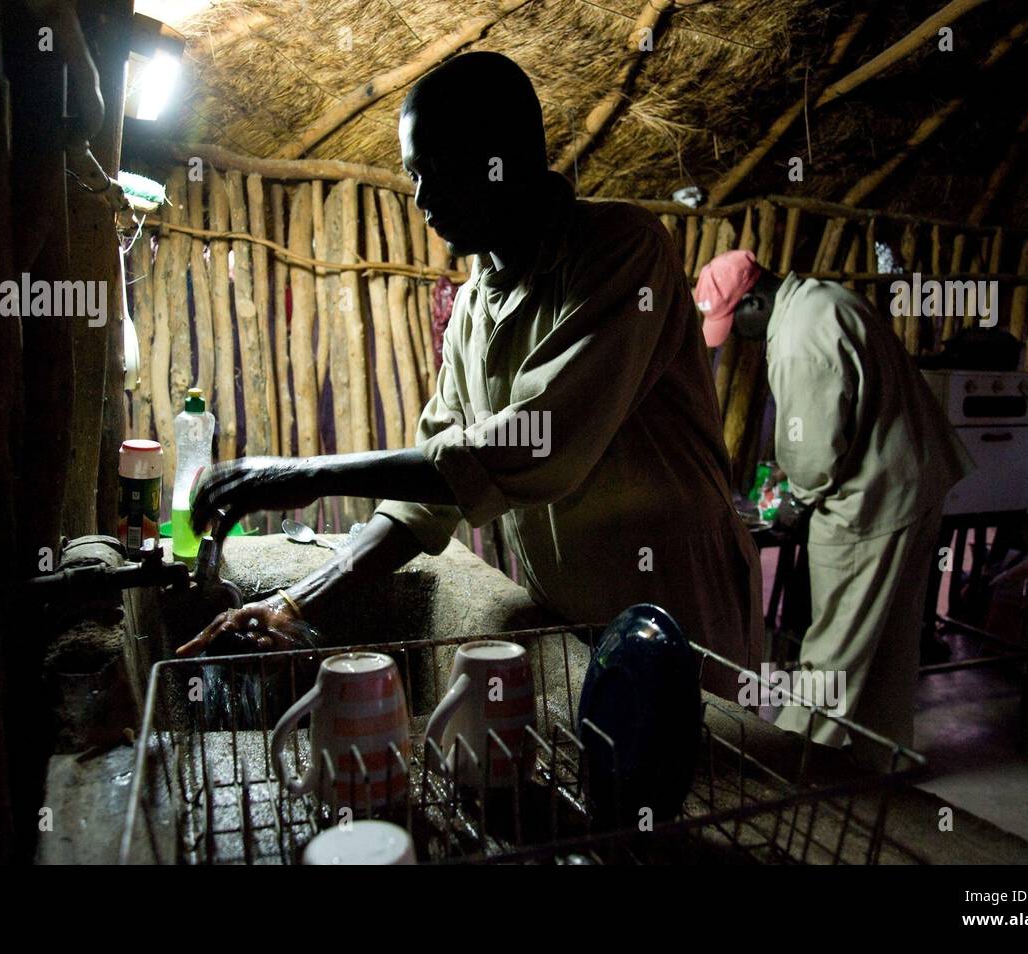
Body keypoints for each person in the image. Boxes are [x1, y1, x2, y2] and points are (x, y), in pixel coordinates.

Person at [178, 52, 762, 699]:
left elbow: (541, 444)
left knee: (714, 781)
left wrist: (305, 474)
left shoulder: (622, 248)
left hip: (674, 604)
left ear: (504, 155)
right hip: (574, 616)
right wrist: (294, 602)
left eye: (436, 170)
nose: (423, 198)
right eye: (413, 175)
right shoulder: (475, 307)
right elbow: (429, 497)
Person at [699, 249, 973, 751]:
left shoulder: (800, 339)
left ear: (754, 301)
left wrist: (793, 500)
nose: (738, 337)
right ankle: (882, 761)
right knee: (888, 644)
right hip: (913, 483)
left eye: (734, 323)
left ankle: (793, 771)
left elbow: (814, 455)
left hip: (871, 502)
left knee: (832, 652)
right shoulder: (828, 299)